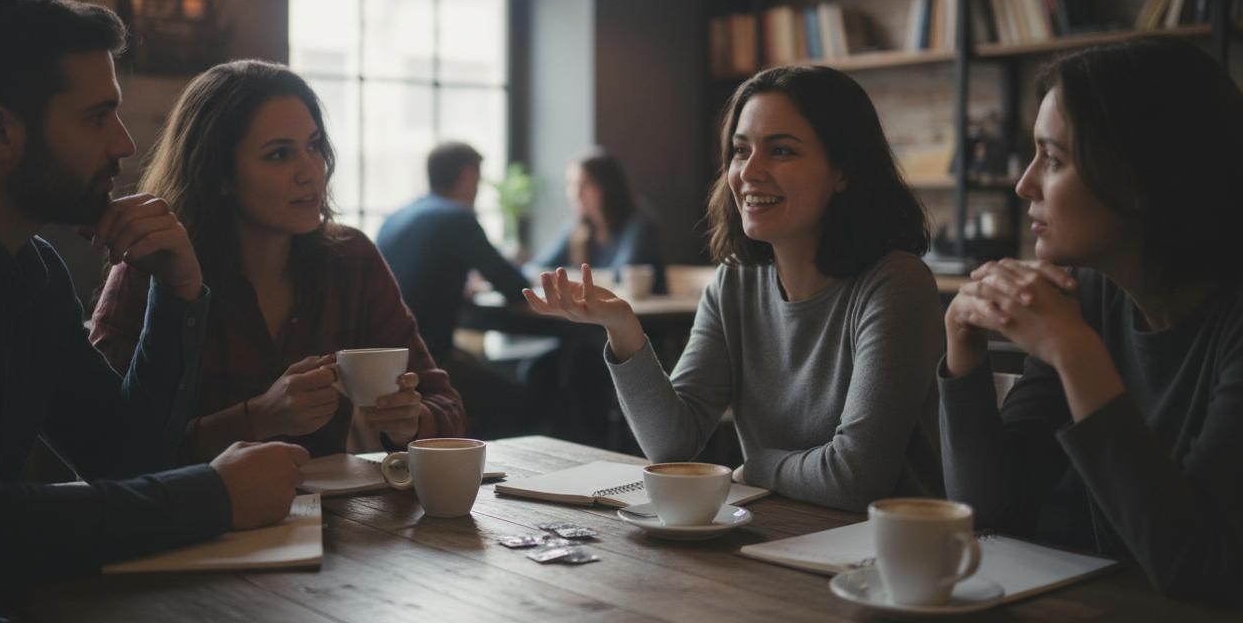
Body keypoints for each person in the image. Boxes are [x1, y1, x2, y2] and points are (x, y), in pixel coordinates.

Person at [0, 0, 305, 621]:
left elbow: (122, 455)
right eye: (96, 116)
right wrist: (215, 496)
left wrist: (178, 293)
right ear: (0, 131)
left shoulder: (32, 270)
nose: (122, 143)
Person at [525, 66, 944, 510]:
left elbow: (856, 477)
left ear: (843, 171)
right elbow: (673, 445)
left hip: (891, 556)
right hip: (778, 534)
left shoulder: (896, 284)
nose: (750, 172)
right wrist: (623, 330)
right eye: (741, 151)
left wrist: (756, 468)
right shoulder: (736, 281)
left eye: (782, 151)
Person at [938, 37, 1243, 607]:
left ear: (1140, 176)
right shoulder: (1091, 296)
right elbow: (992, 513)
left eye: (1052, 159)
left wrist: (1075, 353)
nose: (1023, 183)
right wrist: (964, 351)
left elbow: (1199, 566)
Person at [90, 60, 464, 462]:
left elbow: (446, 406)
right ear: (218, 173)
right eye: (279, 154)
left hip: (331, 518)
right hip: (195, 519)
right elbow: (111, 447)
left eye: (315, 145)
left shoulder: (350, 259)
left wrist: (410, 423)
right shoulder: (155, 265)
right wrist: (257, 419)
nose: (311, 171)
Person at [377, 141, 529, 364]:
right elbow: (515, 287)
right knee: (525, 395)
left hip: (385, 356)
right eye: (478, 182)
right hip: (424, 360)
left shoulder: (395, 216)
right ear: (467, 176)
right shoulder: (457, 218)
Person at [531, 148, 665, 294]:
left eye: (585, 184)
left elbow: (621, 275)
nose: (576, 193)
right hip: (597, 314)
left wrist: (567, 279)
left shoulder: (639, 224)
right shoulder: (575, 228)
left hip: (640, 313)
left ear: (607, 186)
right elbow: (534, 268)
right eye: (570, 184)